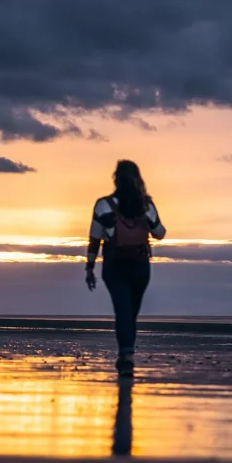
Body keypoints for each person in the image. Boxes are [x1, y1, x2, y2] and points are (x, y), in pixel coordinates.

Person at [85, 160, 166, 377]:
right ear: (139, 180)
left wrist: (89, 267)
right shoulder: (146, 205)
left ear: (115, 179)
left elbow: (94, 239)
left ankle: (126, 355)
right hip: (140, 265)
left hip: (114, 264)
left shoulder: (103, 205)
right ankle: (127, 353)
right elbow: (160, 233)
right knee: (131, 312)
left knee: (122, 310)